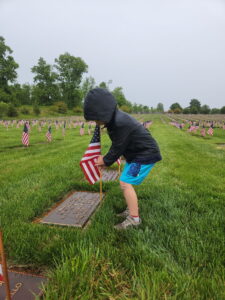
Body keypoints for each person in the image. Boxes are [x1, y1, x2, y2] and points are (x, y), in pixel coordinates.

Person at [84, 88, 162, 230]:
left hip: (144, 156)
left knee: (125, 182)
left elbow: (118, 147)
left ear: (103, 112)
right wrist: (107, 160)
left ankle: (134, 219)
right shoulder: (116, 119)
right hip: (136, 155)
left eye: (95, 118)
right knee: (125, 181)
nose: (95, 122)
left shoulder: (120, 123)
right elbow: (119, 145)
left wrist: (105, 160)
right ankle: (132, 209)